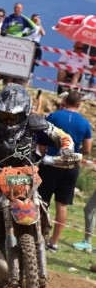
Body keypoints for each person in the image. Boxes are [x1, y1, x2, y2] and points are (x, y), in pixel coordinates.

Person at [0, 85, 76, 280]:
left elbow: (63, 136)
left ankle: (40, 238)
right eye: (4, 116)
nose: (8, 121)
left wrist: (66, 151)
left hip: (24, 174)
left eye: (13, 117)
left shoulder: (35, 123)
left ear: (24, 114)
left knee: (41, 206)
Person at [37, 92, 93, 251]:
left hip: (51, 162)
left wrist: (44, 154)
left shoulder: (53, 116)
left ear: (65, 101)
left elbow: (42, 139)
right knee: (62, 204)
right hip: (70, 166)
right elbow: (87, 149)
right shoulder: (85, 123)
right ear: (79, 104)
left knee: (42, 201)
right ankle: (53, 242)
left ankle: (38, 236)